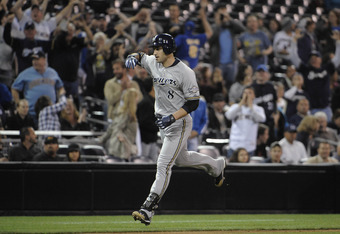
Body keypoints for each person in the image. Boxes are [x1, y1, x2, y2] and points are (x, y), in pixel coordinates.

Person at [125, 33, 226, 225]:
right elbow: (141, 56)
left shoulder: (185, 72)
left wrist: (172, 117)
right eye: (154, 48)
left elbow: (193, 103)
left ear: (169, 50)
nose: (154, 52)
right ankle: (216, 165)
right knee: (181, 159)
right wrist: (133, 56)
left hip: (178, 123)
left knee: (163, 164)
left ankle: (148, 208)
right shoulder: (154, 61)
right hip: (163, 123)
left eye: (158, 48)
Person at [11, 50, 65, 120]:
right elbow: (14, 88)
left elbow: (61, 88)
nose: (34, 62)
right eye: (33, 59)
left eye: (37, 59)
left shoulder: (52, 73)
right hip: (31, 113)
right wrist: (18, 104)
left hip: (51, 113)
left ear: (44, 60)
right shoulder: (26, 73)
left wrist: (60, 97)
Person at [209, 4, 246, 89]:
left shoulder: (231, 28)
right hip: (219, 63)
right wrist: (218, 23)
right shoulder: (214, 27)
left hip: (232, 62)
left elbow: (242, 29)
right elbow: (211, 40)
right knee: (218, 85)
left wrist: (229, 18)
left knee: (231, 85)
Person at [98, 88, 139, 161]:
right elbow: (116, 129)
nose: (137, 99)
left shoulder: (128, 114)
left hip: (125, 149)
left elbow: (112, 127)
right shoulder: (126, 114)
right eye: (136, 97)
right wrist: (128, 144)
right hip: (121, 150)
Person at [226, 86, 266, 158]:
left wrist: (251, 107)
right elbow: (229, 116)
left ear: (254, 96)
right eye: (245, 93)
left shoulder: (258, 109)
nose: (247, 95)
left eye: (250, 93)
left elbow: (262, 119)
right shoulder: (235, 107)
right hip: (234, 145)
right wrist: (240, 104)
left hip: (249, 146)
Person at [174, 0, 212, 69]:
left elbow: (209, 33)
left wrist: (203, 17)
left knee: (208, 67)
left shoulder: (184, 37)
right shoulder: (183, 37)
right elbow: (209, 32)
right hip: (183, 66)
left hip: (194, 67)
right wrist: (203, 17)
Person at [136, 78, 159, 162]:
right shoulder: (146, 102)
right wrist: (159, 126)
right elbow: (143, 122)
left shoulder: (152, 101)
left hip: (152, 139)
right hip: (145, 140)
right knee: (143, 162)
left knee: (154, 163)